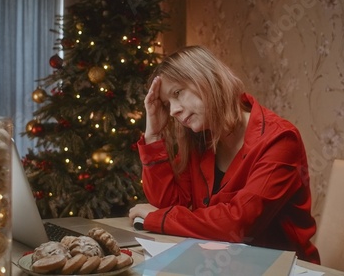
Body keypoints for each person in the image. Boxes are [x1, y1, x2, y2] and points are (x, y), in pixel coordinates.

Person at [128, 45, 320, 264]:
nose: (173, 111)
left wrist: (155, 218)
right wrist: (153, 136)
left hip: (281, 268)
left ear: (208, 79)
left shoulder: (280, 140)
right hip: (221, 264)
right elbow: (169, 204)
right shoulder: (200, 138)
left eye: (178, 93)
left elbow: (237, 225)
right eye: (167, 104)